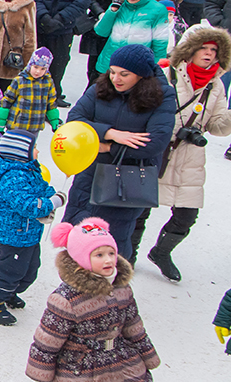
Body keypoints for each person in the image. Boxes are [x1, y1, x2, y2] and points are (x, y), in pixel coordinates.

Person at [11, 218, 159, 382]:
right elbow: (48, 339)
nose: (108, 259)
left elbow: (133, 324)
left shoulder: (122, 288)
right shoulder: (66, 299)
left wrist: (147, 355)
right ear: (81, 259)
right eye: (99, 254)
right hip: (75, 366)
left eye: (111, 252)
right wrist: (42, 370)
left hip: (112, 362)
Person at [61, 45, 177, 256]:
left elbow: (155, 143)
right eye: (112, 72)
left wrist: (107, 147)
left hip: (127, 181)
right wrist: (111, 133)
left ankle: (111, 285)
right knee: (79, 232)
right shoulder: (101, 87)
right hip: (90, 172)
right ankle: (72, 283)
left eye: (124, 74)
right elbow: (74, 120)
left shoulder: (163, 95)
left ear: (142, 75)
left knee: (112, 241)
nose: (116, 79)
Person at [140, 27, 231, 282]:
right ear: (191, 49)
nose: (209, 54)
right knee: (140, 207)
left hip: (190, 157)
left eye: (214, 50)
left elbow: (218, 126)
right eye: (205, 48)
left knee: (187, 214)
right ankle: (127, 254)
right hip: (159, 148)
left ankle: (161, 252)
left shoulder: (216, 85)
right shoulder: (169, 73)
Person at [0, 131, 65, 326]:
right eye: (34, 148)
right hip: (14, 233)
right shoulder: (12, 178)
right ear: (21, 153)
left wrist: (51, 195)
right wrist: (50, 203)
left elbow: (42, 187)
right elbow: (26, 205)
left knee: (30, 269)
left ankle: (9, 293)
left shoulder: (30, 170)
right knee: (10, 269)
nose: (37, 150)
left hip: (30, 232)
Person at [28, 0, 93, 107]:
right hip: (41, 24)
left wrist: (60, 18)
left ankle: (53, 96)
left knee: (59, 62)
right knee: (36, 62)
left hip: (64, 27)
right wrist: (44, 16)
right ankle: (32, 95)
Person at [92, 0, 170, 75]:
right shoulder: (119, 5)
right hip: (110, 62)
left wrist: (157, 69)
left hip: (138, 65)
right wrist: (113, 10)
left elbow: (160, 41)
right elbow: (101, 31)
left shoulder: (157, 9)